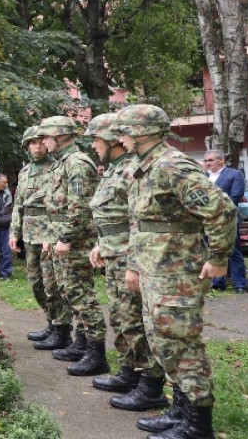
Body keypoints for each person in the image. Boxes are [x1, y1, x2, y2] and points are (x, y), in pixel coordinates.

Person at [114, 105, 237, 439]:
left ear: (142, 133)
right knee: (162, 341)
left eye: (123, 131)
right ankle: (180, 409)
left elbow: (221, 209)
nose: (120, 138)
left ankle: (198, 425)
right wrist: (135, 266)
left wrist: (219, 257)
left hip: (177, 270)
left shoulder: (172, 165)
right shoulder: (145, 166)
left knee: (181, 343)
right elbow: (142, 225)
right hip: (155, 268)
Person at [84, 114, 167, 411]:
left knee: (136, 321)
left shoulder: (132, 170)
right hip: (114, 252)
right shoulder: (114, 170)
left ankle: (150, 385)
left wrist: (132, 260)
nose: (93, 145)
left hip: (129, 255)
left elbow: (138, 220)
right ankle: (129, 371)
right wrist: (99, 243)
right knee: (121, 318)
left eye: (96, 139)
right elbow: (112, 215)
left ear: (111, 139)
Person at [37, 115, 108, 376]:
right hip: (62, 237)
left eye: (46, 136)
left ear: (60, 136)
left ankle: (96, 353)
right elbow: (57, 206)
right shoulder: (62, 163)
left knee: (81, 295)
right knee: (69, 293)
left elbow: (79, 208)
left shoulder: (77, 163)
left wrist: (65, 238)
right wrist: (51, 235)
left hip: (75, 241)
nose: (43, 142)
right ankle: (81, 343)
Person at [9, 126, 63, 341]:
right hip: (30, 233)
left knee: (52, 283)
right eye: (32, 143)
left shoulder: (56, 169)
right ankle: (50, 321)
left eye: (41, 142)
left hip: (49, 232)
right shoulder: (24, 173)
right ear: (27, 146)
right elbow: (18, 205)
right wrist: (14, 232)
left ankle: (61, 328)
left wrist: (55, 235)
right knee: (36, 282)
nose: (37, 146)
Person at [203, 149, 248, 293]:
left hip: (227, 219)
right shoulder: (202, 176)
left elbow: (235, 196)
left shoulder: (235, 174)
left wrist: (213, 209)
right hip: (206, 220)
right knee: (211, 250)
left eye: (210, 160)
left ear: (221, 160)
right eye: (206, 161)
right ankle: (217, 282)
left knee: (233, 251)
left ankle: (240, 284)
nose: (207, 163)